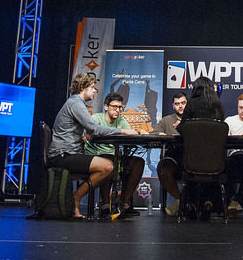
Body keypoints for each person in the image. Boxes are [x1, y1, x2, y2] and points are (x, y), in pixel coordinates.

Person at [47, 73, 139, 219]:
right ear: (82, 88)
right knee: (107, 166)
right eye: (92, 87)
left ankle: (80, 198)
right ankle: (76, 197)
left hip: (68, 153)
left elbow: (90, 130)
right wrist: (122, 131)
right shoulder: (75, 103)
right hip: (62, 155)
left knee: (110, 164)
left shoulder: (76, 103)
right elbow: (94, 129)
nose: (95, 90)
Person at [83, 92, 146, 218]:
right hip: (96, 156)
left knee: (138, 163)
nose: (118, 110)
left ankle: (124, 203)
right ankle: (105, 205)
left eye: (120, 107)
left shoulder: (121, 120)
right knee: (109, 160)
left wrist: (139, 131)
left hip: (115, 155)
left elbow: (130, 133)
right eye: (114, 107)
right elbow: (89, 134)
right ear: (106, 107)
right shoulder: (96, 118)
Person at [177, 76, 226, 220]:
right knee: (212, 173)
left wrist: (179, 126)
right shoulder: (218, 106)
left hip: (192, 161)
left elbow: (183, 128)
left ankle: (190, 204)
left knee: (185, 165)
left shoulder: (191, 104)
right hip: (216, 162)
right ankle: (208, 202)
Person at [155, 91, 187, 216]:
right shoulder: (166, 120)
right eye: (177, 104)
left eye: (183, 103)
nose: (180, 106)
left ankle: (185, 203)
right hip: (172, 157)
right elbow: (154, 133)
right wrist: (160, 134)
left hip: (192, 159)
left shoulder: (193, 120)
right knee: (163, 168)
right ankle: (182, 200)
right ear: (173, 106)